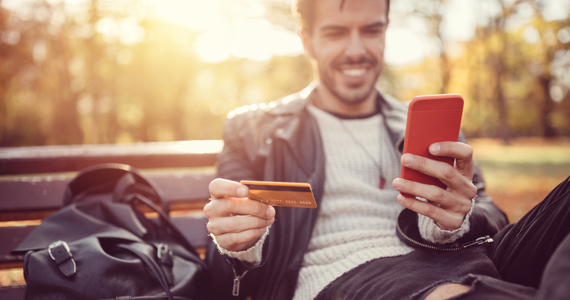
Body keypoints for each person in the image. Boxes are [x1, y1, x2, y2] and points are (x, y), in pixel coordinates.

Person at [203, 0, 570, 299]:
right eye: (336, 32)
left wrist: (455, 219)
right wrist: (239, 244)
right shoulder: (253, 128)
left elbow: (489, 211)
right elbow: (222, 276)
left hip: (465, 257)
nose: (357, 50)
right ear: (307, 40)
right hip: (345, 275)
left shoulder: (423, 121)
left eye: (372, 30)